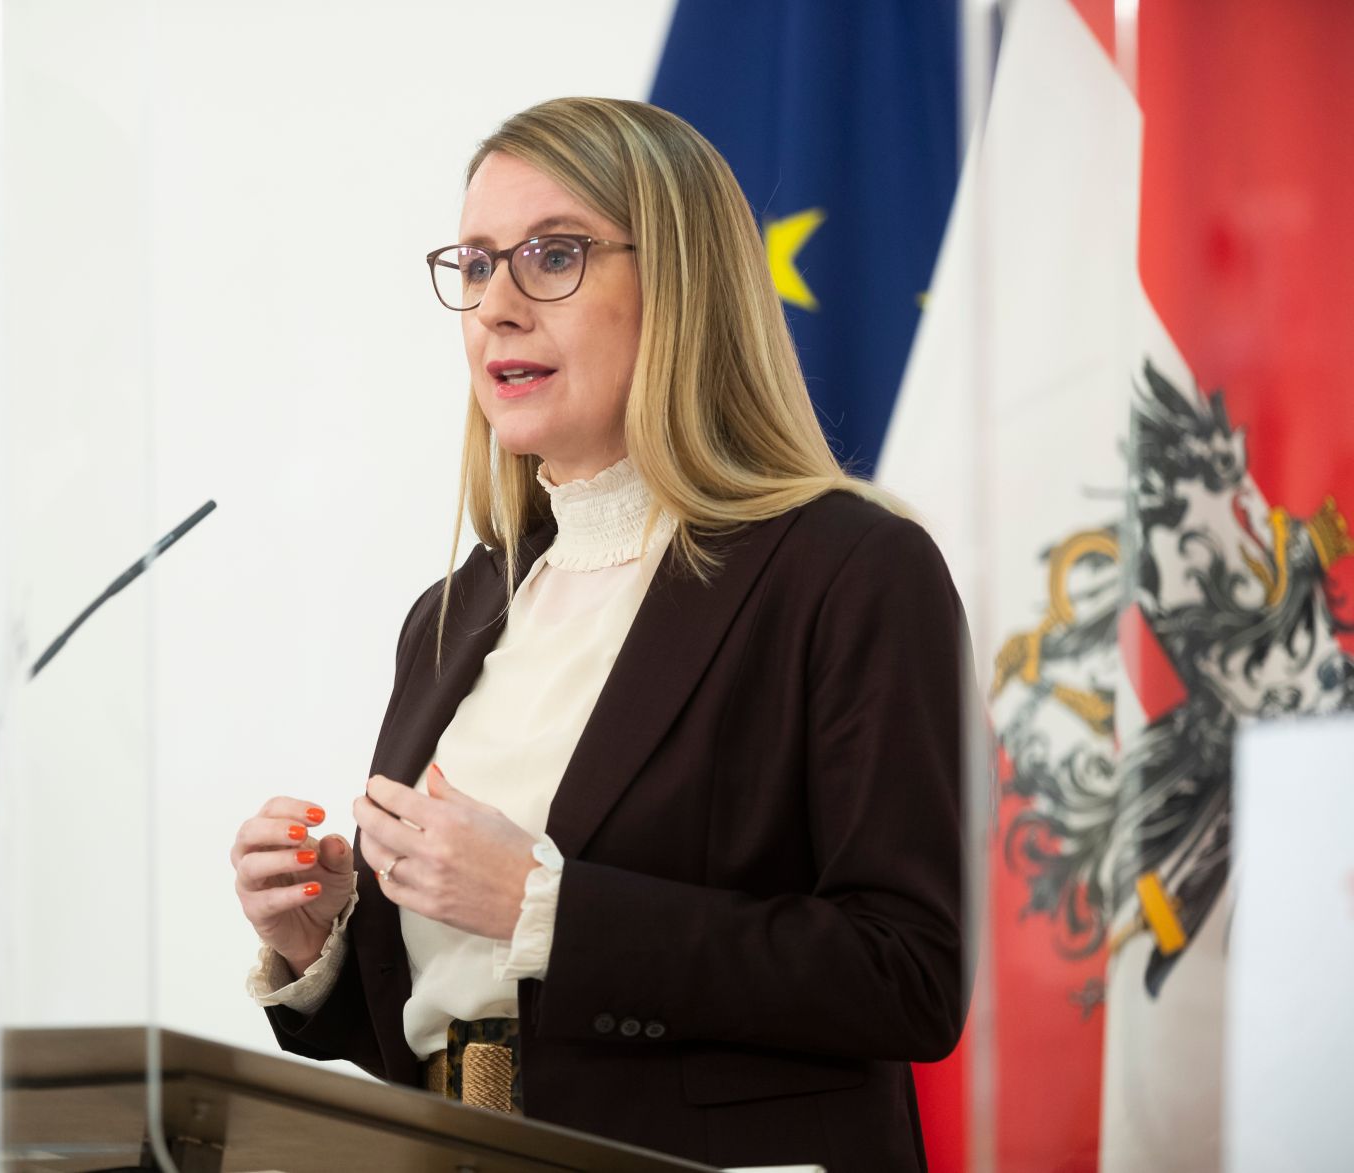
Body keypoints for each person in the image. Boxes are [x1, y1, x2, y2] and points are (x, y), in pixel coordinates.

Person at [230, 96, 972, 1172]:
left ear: (680, 286)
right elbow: (451, 1030)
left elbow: (908, 975)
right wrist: (325, 945)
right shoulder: (449, 620)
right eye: (476, 265)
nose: (496, 306)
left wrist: (547, 908)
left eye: (552, 255)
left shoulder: (844, 570)